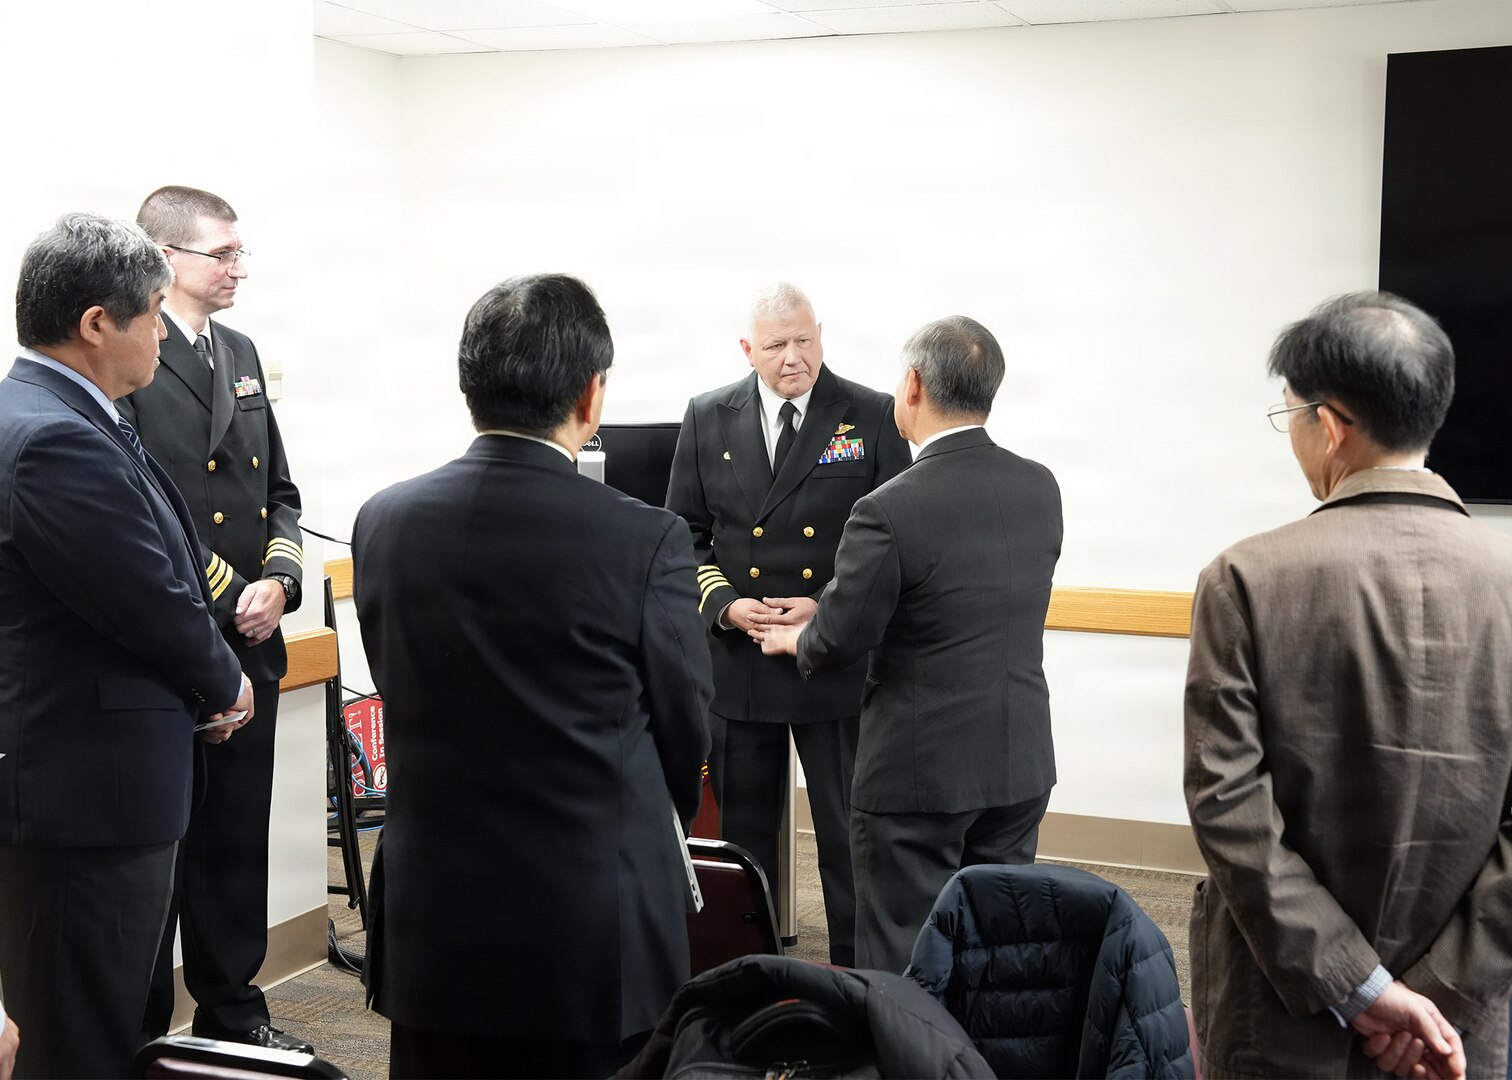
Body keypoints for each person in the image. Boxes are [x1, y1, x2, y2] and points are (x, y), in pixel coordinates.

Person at [353, 273, 712, 1079]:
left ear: (469, 384)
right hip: (588, 924)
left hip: (434, 916)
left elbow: (398, 683)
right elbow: (684, 721)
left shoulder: (383, 520)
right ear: (591, 394)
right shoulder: (643, 539)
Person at [1184, 291, 1512, 1079]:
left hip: (1283, 1013)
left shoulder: (1245, 577)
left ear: (1329, 425)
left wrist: (1359, 987)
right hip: (1450, 1034)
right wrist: (1435, 994)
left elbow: (1228, 805)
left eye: (1289, 414)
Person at [0, 213, 252, 1078]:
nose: (163, 334)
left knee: (99, 1021)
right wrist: (226, 681)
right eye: (151, 314)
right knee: (80, 1037)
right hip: (85, 800)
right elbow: (148, 599)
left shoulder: (66, 412)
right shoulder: (53, 437)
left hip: (92, 783)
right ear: (96, 323)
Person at [760, 315, 1062, 974]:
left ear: (915, 385)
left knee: (904, 958)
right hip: (1016, 761)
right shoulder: (1040, 486)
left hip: (919, 777)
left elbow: (840, 639)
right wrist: (834, 602)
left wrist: (801, 636)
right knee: (996, 951)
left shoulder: (889, 507)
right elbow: (955, 591)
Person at [666, 283, 910, 965]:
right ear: (748, 349)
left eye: (805, 339)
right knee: (742, 841)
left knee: (849, 837)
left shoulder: (870, 414)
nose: (794, 356)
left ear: (820, 334)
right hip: (742, 661)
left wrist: (828, 602)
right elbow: (683, 533)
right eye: (776, 345)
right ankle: (748, 977)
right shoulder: (708, 415)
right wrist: (724, 603)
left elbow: (896, 537)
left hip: (832, 659)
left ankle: (857, 980)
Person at [121, 186, 307, 1052]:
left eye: (239, 252)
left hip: (253, 643)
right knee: (160, 856)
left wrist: (280, 580)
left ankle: (234, 1011)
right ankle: (145, 1033)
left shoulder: (240, 350)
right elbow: (141, 504)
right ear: (166, 259)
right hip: (173, 645)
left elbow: (279, 491)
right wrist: (232, 591)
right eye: (222, 253)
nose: (239, 268)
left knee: (235, 846)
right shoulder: (131, 352)